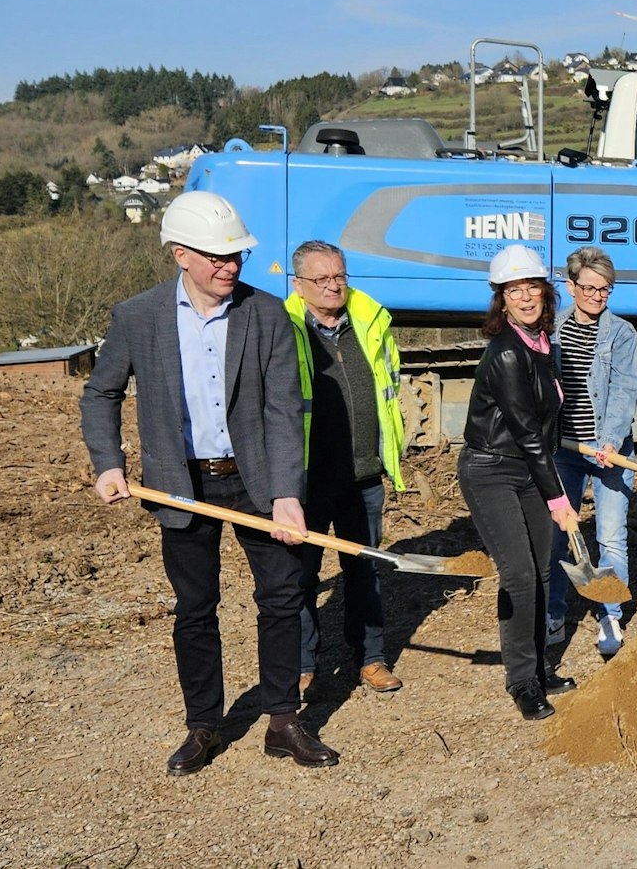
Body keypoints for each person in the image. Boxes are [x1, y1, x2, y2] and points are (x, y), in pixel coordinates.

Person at [81, 191, 338, 773]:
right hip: (178, 482)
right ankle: (204, 725)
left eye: (237, 257)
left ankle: (282, 720)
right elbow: (101, 393)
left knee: (281, 597)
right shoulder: (138, 317)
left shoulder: (265, 313)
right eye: (217, 257)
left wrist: (286, 495)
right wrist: (108, 461)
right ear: (180, 255)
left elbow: (282, 408)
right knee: (195, 607)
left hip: (254, 480)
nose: (230, 267)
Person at [458, 244, 580, 720]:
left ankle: (538, 669)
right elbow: (527, 432)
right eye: (514, 290)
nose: (525, 296)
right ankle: (523, 682)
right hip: (492, 470)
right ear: (501, 299)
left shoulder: (543, 343)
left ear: (545, 293)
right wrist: (559, 498)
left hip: (529, 466)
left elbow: (546, 421)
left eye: (532, 286)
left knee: (545, 570)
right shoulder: (507, 353)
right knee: (520, 576)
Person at [283, 240, 407, 697]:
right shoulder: (284, 328)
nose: (334, 286)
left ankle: (371, 658)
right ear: (298, 285)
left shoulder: (371, 323)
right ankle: (301, 665)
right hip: (307, 479)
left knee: (364, 572)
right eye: (322, 279)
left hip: (364, 474)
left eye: (339, 276)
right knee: (301, 575)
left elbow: (389, 388)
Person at [549, 246, 637, 658]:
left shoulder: (621, 334)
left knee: (611, 536)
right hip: (563, 449)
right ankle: (552, 612)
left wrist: (611, 439)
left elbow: (625, 390)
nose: (597, 296)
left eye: (605, 289)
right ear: (571, 286)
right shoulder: (548, 330)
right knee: (557, 533)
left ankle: (610, 614)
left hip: (608, 450)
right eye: (589, 288)